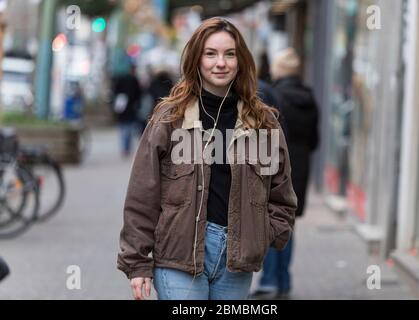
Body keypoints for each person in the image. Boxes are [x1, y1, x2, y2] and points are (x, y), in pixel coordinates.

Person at [117, 17, 297, 300]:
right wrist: (137, 263)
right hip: (178, 256)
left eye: (229, 54)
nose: (220, 63)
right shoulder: (170, 119)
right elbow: (142, 194)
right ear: (197, 59)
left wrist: (261, 236)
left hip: (236, 262)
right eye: (210, 54)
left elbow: (283, 195)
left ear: (241, 61)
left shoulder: (263, 123)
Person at [252, 47, 320, 299]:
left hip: (278, 167)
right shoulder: (310, 98)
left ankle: (270, 281)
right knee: (288, 224)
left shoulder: (274, 95)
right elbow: (315, 141)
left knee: (271, 222)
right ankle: (284, 282)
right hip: (301, 169)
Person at [112, 63, 142, 157]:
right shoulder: (134, 80)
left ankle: (124, 148)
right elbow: (138, 94)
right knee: (129, 128)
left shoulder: (121, 79)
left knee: (123, 128)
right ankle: (127, 147)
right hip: (131, 108)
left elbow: (114, 91)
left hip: (121, 108)